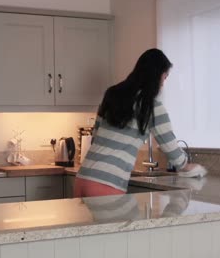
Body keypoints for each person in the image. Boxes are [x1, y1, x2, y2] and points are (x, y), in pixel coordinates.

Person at [74, 49, 205, 198]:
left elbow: (95, 137)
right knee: (131, 221)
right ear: (157, 75)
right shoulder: (151, 106)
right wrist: (189, 166)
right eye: (165, 76)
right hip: (106, 183)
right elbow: (171, 149)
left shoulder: (112, 95)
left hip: (83, 178)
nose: (163, 83)